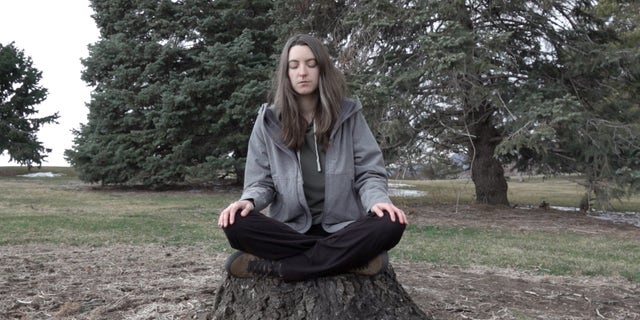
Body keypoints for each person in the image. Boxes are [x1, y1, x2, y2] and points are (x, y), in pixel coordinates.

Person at [218, 34, 407, 282]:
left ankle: (283, 268)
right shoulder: (268, 121)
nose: (303, 72)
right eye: (294, 65)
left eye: (311, 63)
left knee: (390, 224)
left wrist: (378, 201)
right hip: (291, 230)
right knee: (236, 224)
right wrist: (249, 201)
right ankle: (346, 260)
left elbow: (369, 173)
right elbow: (261, 181)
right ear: (286, 73)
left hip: (343, 228)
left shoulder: (348, 114)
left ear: (322, 68)